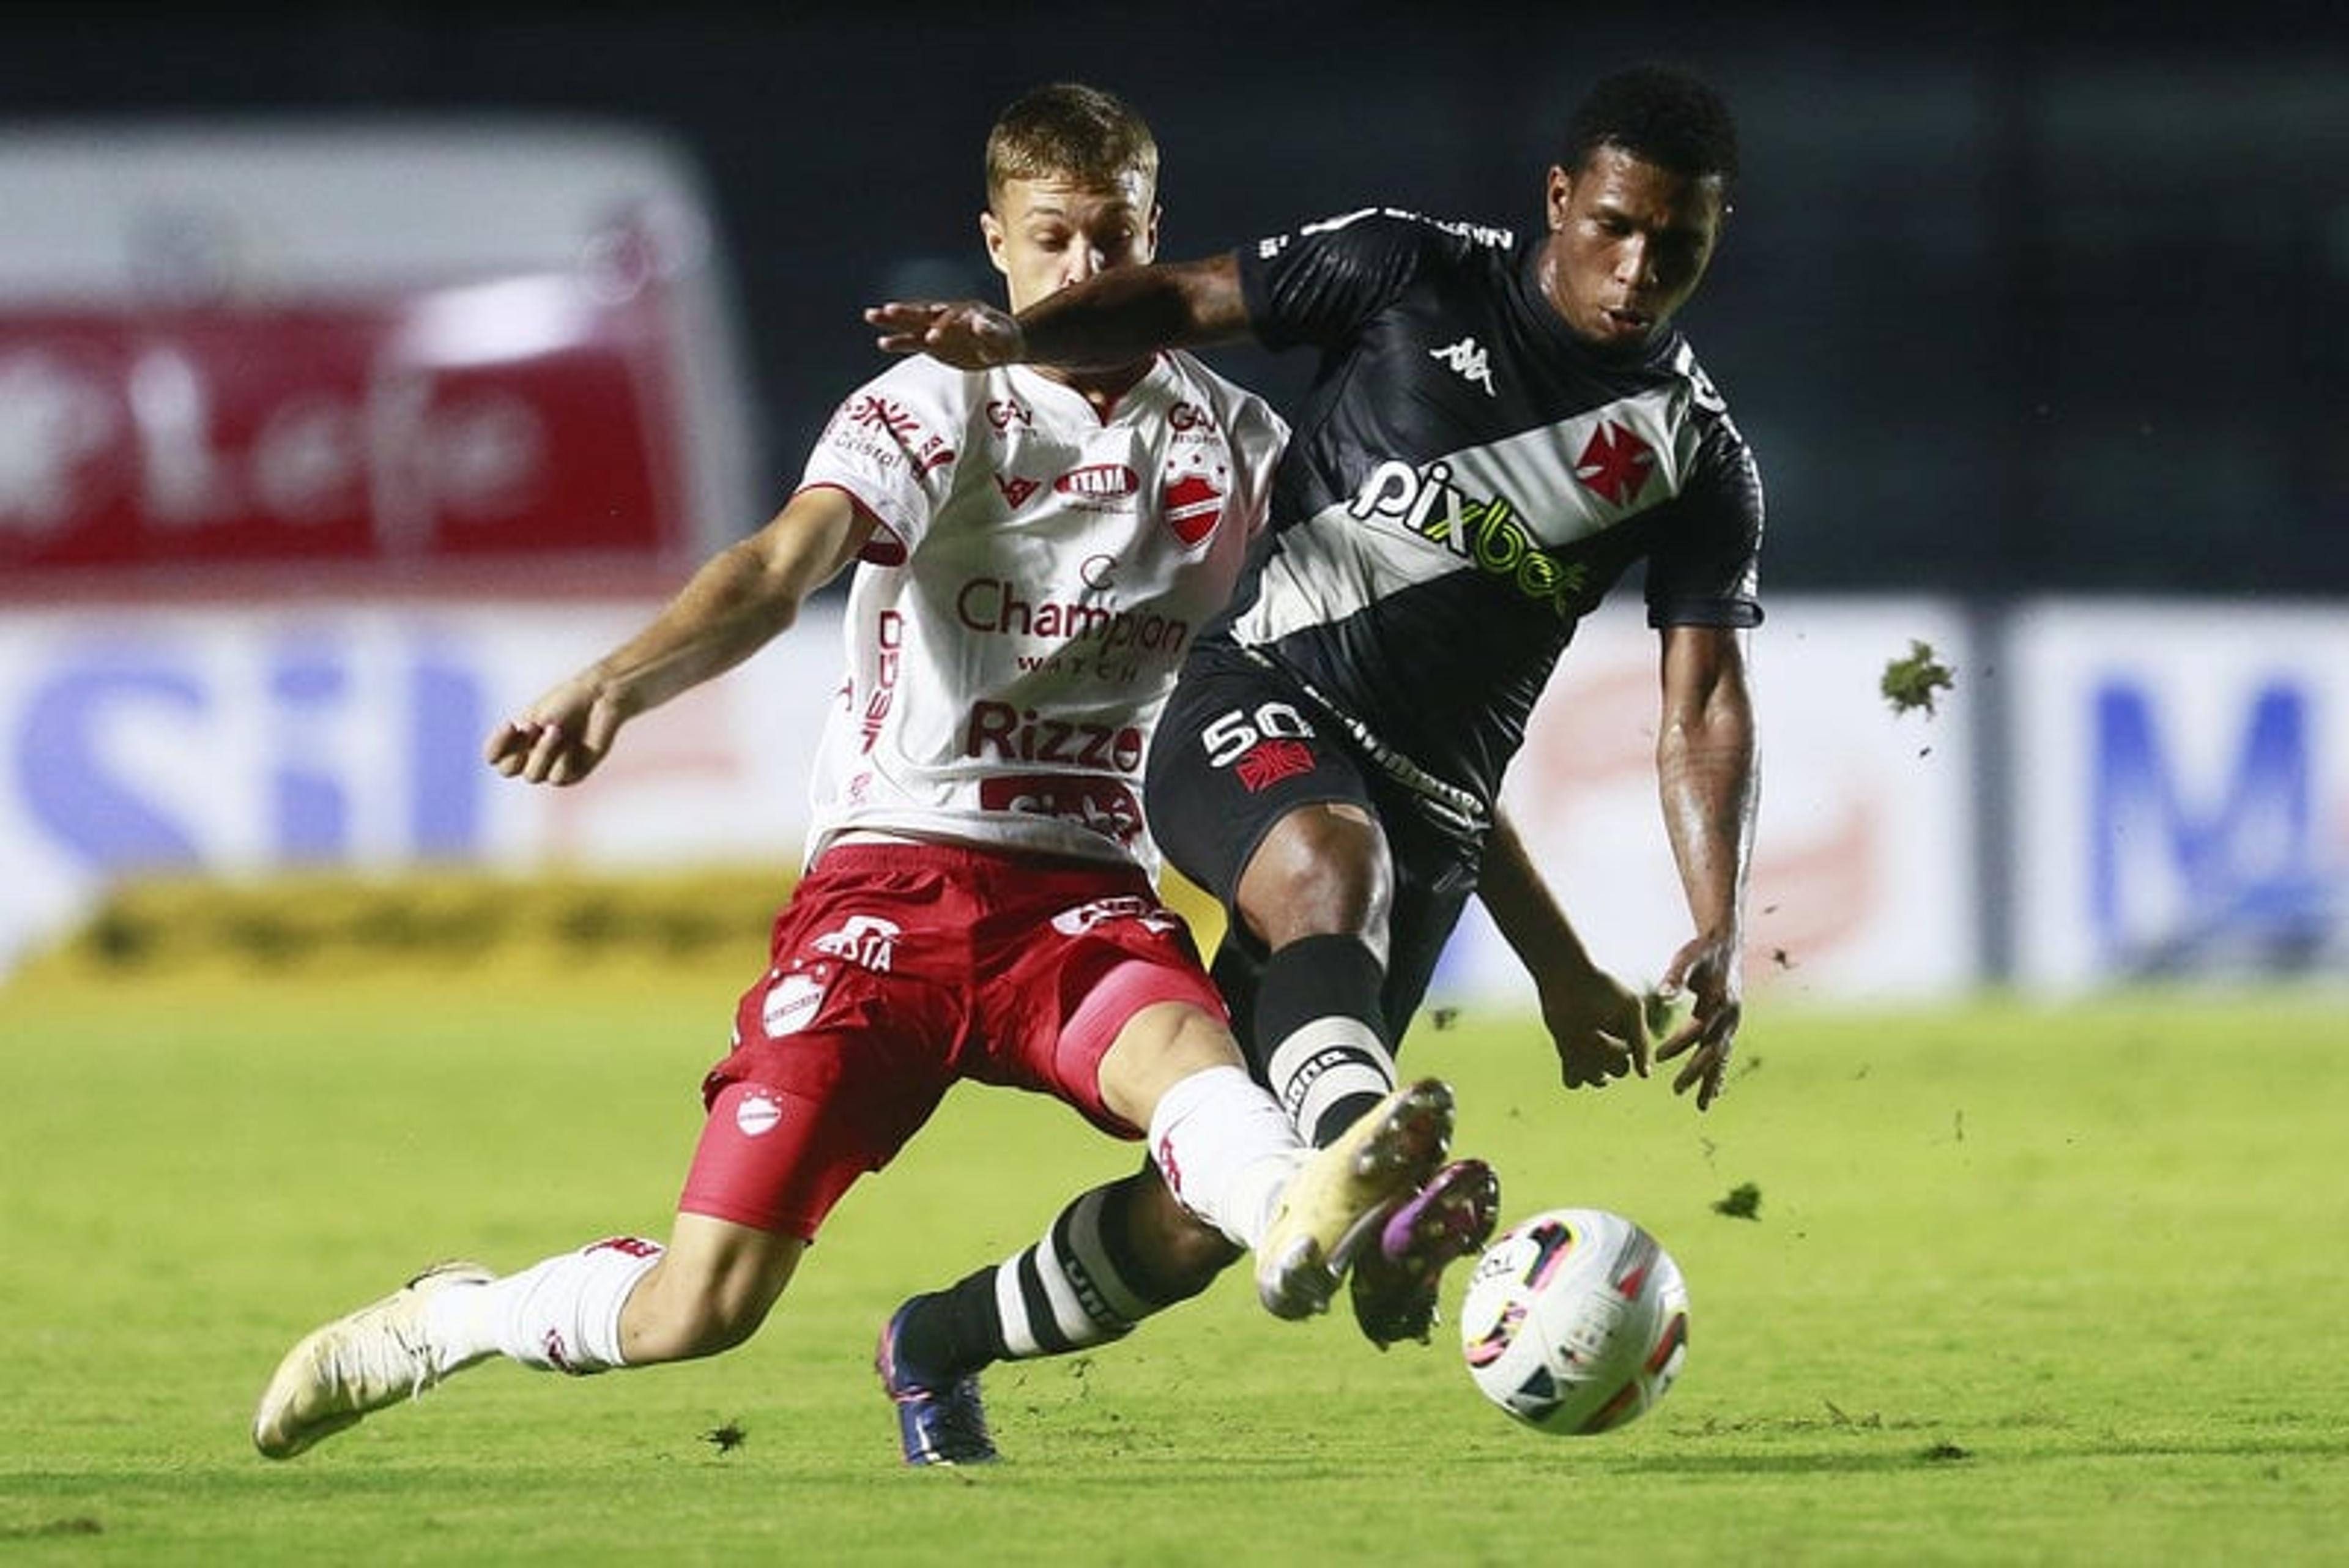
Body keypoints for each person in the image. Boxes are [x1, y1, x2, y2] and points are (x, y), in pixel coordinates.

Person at [249, 82, 1470, 1468]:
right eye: (1056, 239)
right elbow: (779, 566)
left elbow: (1358, 691)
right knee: (694, 1311)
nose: (1087, 274)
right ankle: (457, 1317)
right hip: (886, 886)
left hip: (1075, 892)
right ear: (998, 243)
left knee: (1194, 1069)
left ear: (1157, 238)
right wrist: (618, 680)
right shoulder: (941, 398)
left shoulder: (1237, 446)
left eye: (1116, 240)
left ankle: (1314, 1210)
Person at [870, 61, 1759, 1377]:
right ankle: (1391, 1195)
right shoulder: (1405, 271)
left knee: (1198, 1226)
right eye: (1612, 228)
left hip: (1430, 829)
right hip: (1258, 706)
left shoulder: (1696, 457)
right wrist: (1019, 340)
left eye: (1674, 245)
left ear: (1712, 238)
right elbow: (1175, 298)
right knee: (1331, 859)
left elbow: (1703, 709)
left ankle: (936, 1341)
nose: (1636, 268)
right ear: (1559, 199)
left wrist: (1703, 927)